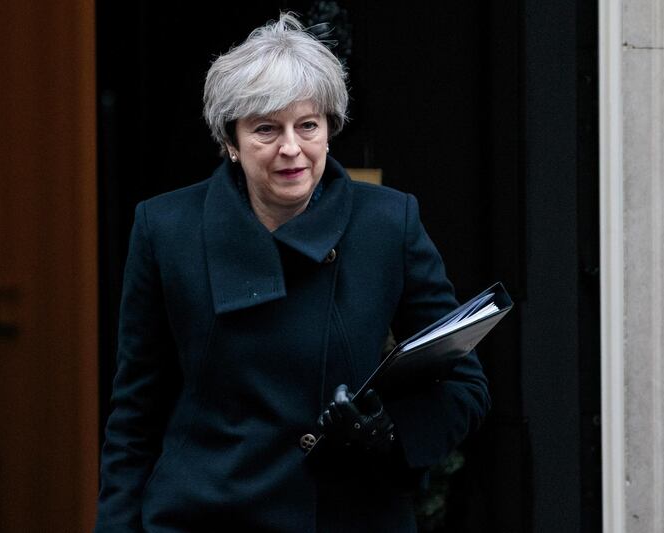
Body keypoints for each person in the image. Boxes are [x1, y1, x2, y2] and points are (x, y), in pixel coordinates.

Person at [95, 12, 490, 533]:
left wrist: (387, 433)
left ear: (329, 131)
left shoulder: (388, 223)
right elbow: (135, 414)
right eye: (265, 129)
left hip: (349, 516)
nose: (291, 148)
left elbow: (464, 382)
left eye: (308, 125)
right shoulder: (166, 229)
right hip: (206, 514)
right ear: (230, 142)